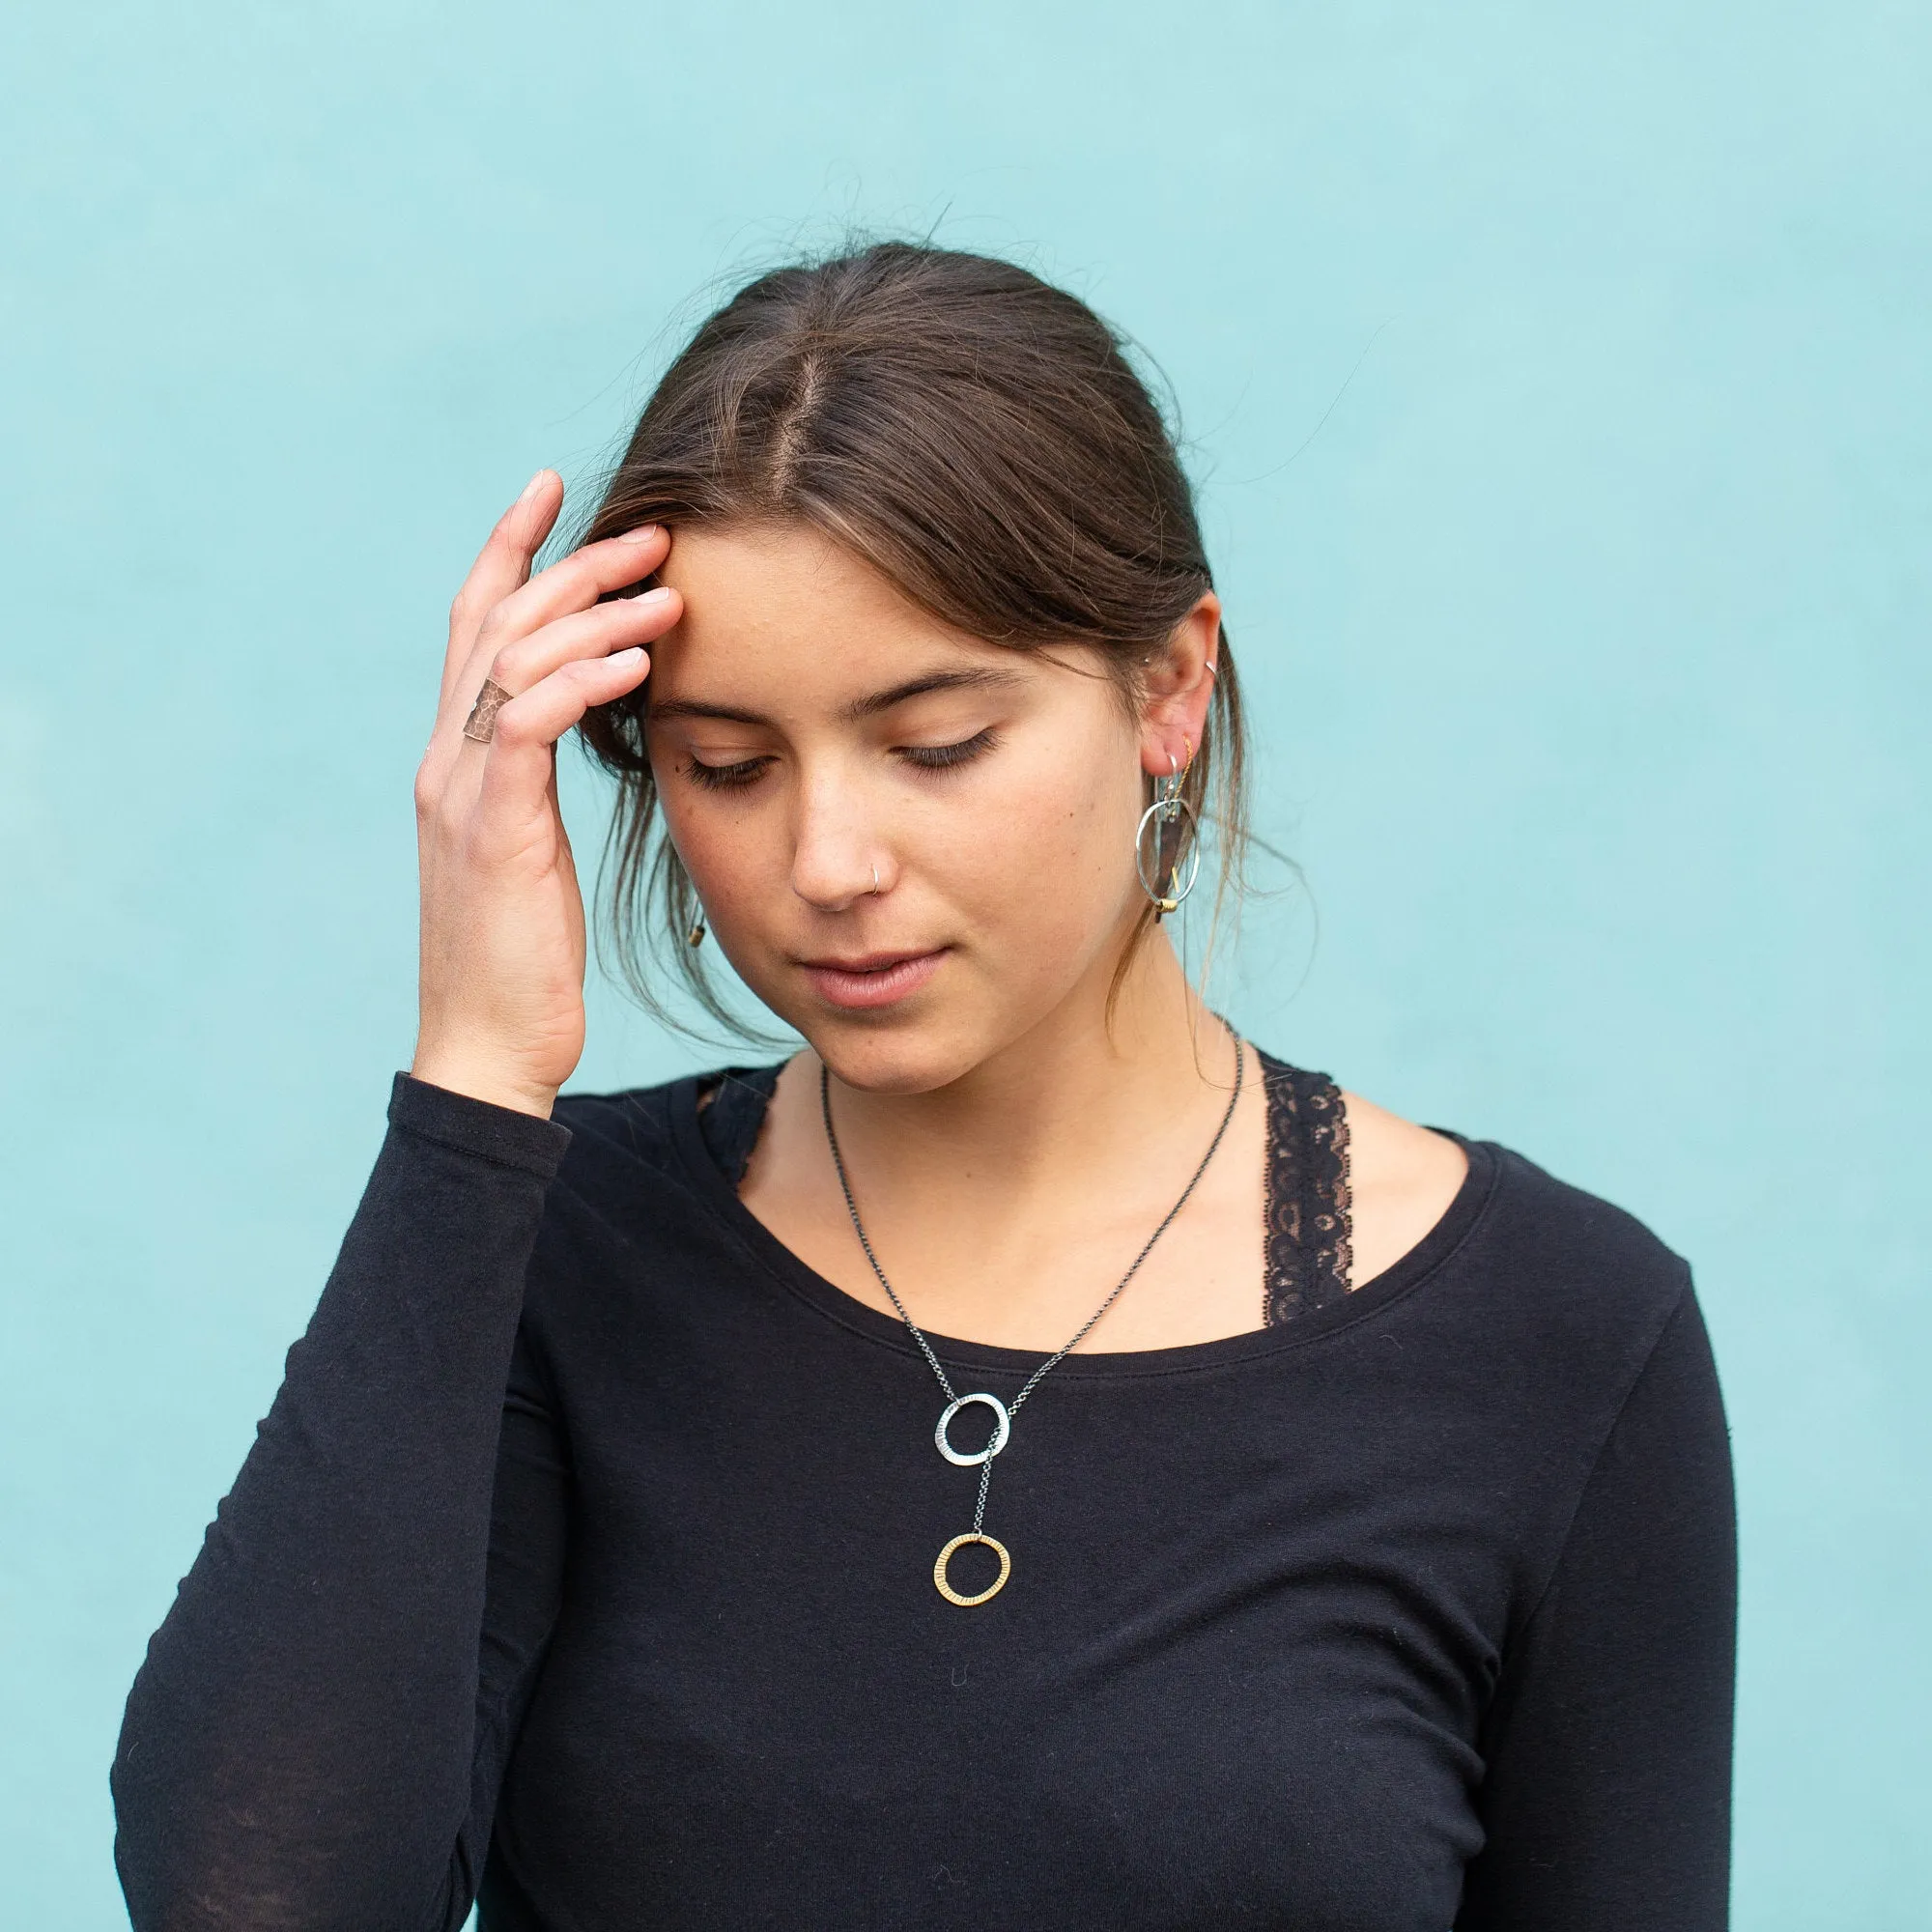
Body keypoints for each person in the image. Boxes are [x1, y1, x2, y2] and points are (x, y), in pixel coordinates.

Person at [110, 242, 1736, 1930]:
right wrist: (470, 1076)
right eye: (726, 767)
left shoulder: (1558, 1335)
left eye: (937, 744)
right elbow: (253, 1904)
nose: (827, 861)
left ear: (1168, 688)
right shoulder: (551, 1251)